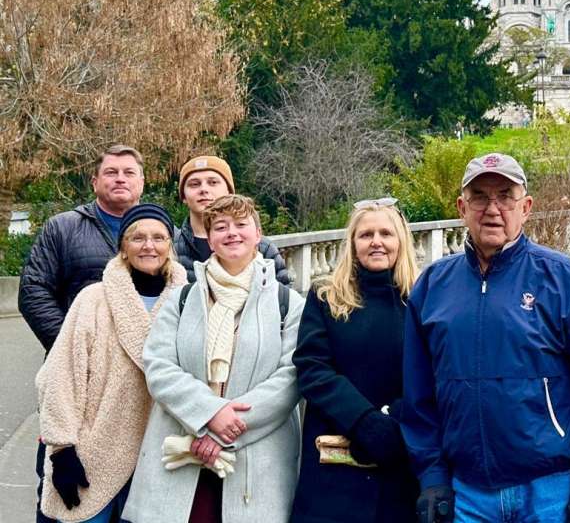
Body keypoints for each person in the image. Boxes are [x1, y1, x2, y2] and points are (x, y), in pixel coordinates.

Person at [403, 153, 570, 523]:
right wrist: (432, 477)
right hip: (466, 496)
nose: (493, 209)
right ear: (462, 207)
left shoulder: (560, 278)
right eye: (480, 196)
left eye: (505, 196)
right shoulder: (432, 287)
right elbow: (418, 400)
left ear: (525, 208)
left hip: (550, 492)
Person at [123, 195, 304, 523]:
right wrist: (208, 414)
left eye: (241, 225)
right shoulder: (181, 299)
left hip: (257, 460)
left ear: (258, 234)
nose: (231, 233)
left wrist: (224, 431)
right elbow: (159, 366)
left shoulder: (288, 303)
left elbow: (291, 377)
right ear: (210, 238)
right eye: (221, 227)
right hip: (182, 450)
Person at [36, 204, 186, 523]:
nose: (149, 245)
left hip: (161, 453)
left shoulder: (188, 301)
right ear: (123, 247)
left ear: (170, 245)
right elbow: (61, 375)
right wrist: (62, 448)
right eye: (138, 238)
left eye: (159, 237)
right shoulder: (93, 299)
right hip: (95, 449)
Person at [20, 144, 145, 523]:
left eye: (128, 172)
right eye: (111, 172)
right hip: (72, 379)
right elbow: (33, 290)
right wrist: (73, 348)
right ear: (94, 181)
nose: (119, 178)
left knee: (127, 487)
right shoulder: (64, 227)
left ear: (142, 182)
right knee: (63, 478)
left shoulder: (158, 232)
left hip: (133, 387)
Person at [290, 198, 420, 522]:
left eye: (386, 234)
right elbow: (313, 368)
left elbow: (433, 371)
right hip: (334, 465)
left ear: (401, 240)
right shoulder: (325, 298)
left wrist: (396, 422)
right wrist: (365, 423)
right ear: (352, 243)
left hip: (401, 458)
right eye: (366, 235)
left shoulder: (422, 301)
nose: (376, 241)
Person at [174, 155, 290, 285]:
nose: (204, 189)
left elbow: (282, 298)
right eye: (194, 184)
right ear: (183, 196)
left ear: (229, 190)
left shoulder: (262, 247)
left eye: (213, 182)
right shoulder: (172, 248)